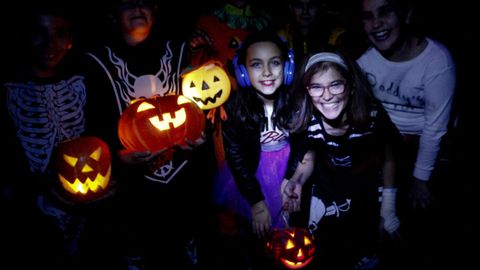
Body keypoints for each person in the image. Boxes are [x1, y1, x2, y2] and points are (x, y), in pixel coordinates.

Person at [81, 0, 215, 269]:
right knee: (138, 238)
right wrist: (117, 159)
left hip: (182, 173)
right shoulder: (93, 62)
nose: (137, 8)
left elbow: (204, 99)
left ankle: (189, 247)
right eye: (126, 2)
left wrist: (200, 136)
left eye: (143, 1)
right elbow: (91, 126)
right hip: (131, 182)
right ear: (112, 13)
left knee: (188, 235)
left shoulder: (181, 51)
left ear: (155, 9)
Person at [0, 3, 118, 269]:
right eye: (38, 32)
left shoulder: (83, 83)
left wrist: (113, 175)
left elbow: (104, 136)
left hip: (91, 213)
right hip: (33, 217)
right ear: (25, 37)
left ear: (70, 41)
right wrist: (41, 190)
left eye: (59, 33)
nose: (49, 42)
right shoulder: (10, 93)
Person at [356, 0, 457, 268]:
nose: (376, 23)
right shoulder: (364, 60)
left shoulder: (436, 60)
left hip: (428, 144)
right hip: (385, 143)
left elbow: (435, 129)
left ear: (406, 13)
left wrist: (421, 179)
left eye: (385, 12)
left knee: (421, 214)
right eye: (367, 17)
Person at [282, 51, 403, 270]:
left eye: (335, 85)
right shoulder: (308, 120)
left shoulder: (372, 116)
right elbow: (308, 156)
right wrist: (297, 181)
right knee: (328, 245)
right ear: (307, 91)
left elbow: (389, 158)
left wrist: (389, 206)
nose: (327, 95)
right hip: (329, 183)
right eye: (316, 87)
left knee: (367, 243)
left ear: (351, 86)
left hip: (365, 183)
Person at [211, 30, 295, 269]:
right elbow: (236, 158)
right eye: (256, 65)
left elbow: (302, 145)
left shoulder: (296, 100)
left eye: (275, 63)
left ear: (287, 68)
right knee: (257, 229)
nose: (267, 72)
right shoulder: (236, 108)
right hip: (254, 175)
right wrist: (257, 203)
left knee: (287, 231)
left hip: (286, 170)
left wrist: (291, 176)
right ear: (243, 73)